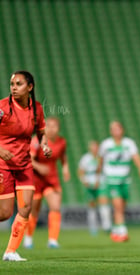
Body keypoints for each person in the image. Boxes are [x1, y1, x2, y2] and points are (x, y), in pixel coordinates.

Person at [0, 71, 51, 261]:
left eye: (19, 84)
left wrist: (44, 144)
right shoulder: (2, 107)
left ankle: (10, 251)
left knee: (26, 207)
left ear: (30, 87)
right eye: (12, 84)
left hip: (24, 165)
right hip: (3, 164)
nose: (14, 87)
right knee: (5, 213)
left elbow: (41, 132)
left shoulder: (36, 108)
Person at [23, 116, 70, 249]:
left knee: (55, 207)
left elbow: (63, 156)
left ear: (58, 129)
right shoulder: (36, 141)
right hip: (35, 179)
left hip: (52, 178)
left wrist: (66, 169)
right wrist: (39, 167)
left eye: (54, 126)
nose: (50, 128)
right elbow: (29, 159)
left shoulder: (61, 142)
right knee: (34, 210)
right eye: (48, 125)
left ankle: (53, 240)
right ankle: (28, 237)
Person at [97, 120, 140, 242]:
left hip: (125, 180)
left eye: (118, 128)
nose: (116, 131)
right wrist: (99, 174)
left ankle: (115, 231)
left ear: (122, 130)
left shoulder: (129, 143)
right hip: (111, 180)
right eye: (113, 129)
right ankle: (123, 232)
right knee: (118, 206)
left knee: (121, 207)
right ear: (111, 131)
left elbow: (135, 156)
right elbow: (101, 159)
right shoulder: (106, 144)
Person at [77, 140, 100, 235]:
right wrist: (84, 181)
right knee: (92, 206)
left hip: (101, 184)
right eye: (93, 147)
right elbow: (80, 171)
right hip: (90, 185)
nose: (94, 148)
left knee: (104, 204)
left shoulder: (101, 158)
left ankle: (108, 225)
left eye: (96, 146)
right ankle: (93, 227)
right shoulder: (86, 158)